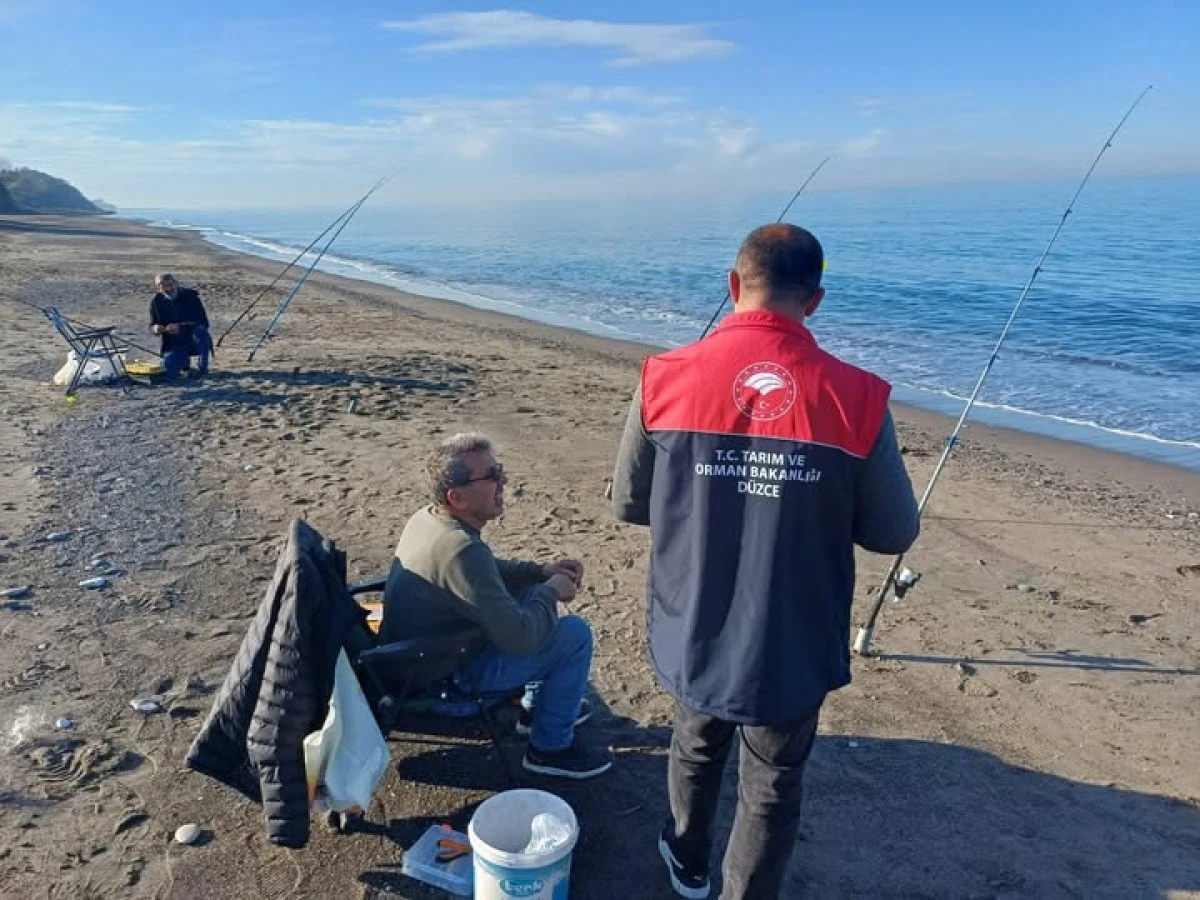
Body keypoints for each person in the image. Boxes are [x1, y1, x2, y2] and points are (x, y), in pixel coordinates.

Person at [612, 223, 920, 898]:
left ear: (732, 287)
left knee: (696, 739)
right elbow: (894, 529)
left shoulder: (663, 378)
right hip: (793, 628)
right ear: (815, 301)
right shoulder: (858, 395)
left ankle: (688, 859)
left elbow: (629, 503)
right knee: (775, 780)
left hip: (695, 611)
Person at [382, 432, 613, 780]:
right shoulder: (460, 550)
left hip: (421, 660)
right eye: (491, 476)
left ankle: (538, 709)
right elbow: (520, 639)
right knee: (574, 635)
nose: (503, 480)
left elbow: (486, 570)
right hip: (445, 681)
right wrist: (549, 591)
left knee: (529, 597)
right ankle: (549, 749)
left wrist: (540, 573)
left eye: (499, 470)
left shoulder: (431, 518)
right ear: (456, 496)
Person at [150, 273, 212, 376]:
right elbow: (153, 324)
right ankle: (184, 363)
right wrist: (155, 328)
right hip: (174, 343)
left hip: (194, 340)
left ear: (176, 283)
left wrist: (181, 328)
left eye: (171, 284)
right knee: (168, 368)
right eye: (164, 286)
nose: (169, 288)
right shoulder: (156, 302)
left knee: (201, 332)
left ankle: (202, 368)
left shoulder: (190, 296)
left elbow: (203, 322)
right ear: (159, 288)